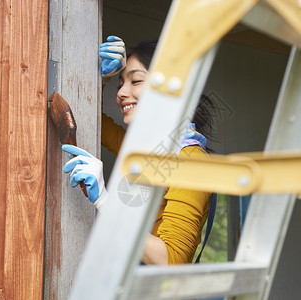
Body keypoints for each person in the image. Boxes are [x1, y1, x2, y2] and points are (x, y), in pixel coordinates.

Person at [62, 36, 215, 265]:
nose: (121, 93)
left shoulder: (191, 161)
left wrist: (104, 201)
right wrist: (101, 79)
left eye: (135, 81)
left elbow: (170, 261)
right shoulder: (147, 150)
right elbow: (90, 120)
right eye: (120, 83)